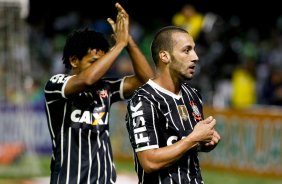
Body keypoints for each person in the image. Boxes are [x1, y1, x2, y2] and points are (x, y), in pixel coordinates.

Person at [44, 3, 154, 184]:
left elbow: (147, 81)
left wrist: (129, 43)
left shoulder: (106, 88)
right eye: (94, 62)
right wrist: (118, 47)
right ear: (73, 60)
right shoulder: (56, 85)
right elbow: (86, 80)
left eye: (104, 63)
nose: (102, 69)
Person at [125, 26, 221, 184]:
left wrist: (205, 142)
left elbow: (185, 143)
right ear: (164, 56)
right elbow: (149, 162)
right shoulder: (143, 100)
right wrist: (194, 139)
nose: (195, 57)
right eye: (186, 50)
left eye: (194, 50)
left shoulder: (192, 94)